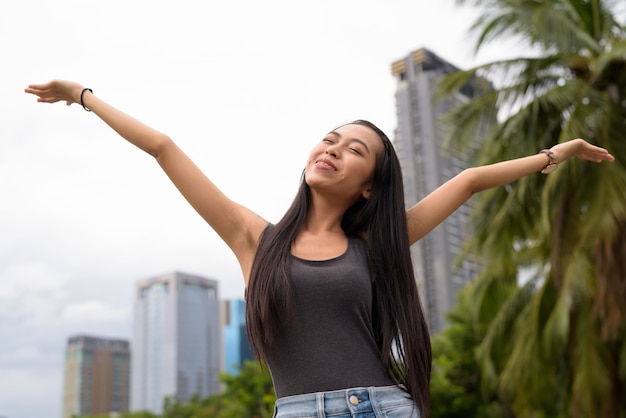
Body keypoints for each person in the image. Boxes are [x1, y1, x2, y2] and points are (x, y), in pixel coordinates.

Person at [25, 80, 614, 418]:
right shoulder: (253, 237)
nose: (332, 148)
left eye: (355, 150)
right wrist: (81, 94)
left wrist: (554, 154)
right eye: (330, 139)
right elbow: (162, 146)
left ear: (369, 185)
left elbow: (469, 180)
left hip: (384, 408)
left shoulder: (377, 242)